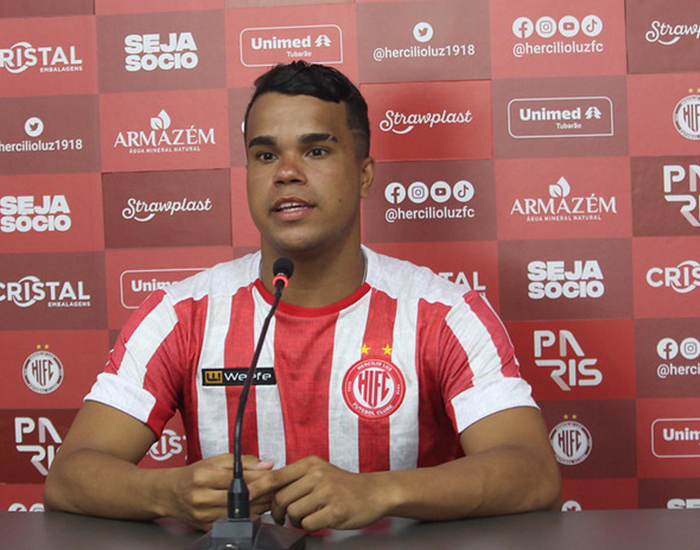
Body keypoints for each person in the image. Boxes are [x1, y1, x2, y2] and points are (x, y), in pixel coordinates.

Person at [44, 61, 561, 532]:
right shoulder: (181, 314)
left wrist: (379, 491)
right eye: (266, 154)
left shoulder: (443, 313)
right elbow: (70, 477)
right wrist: (166, 492)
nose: (286, 172)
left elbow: (533, 473)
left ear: (364, 175)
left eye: (316, 150)